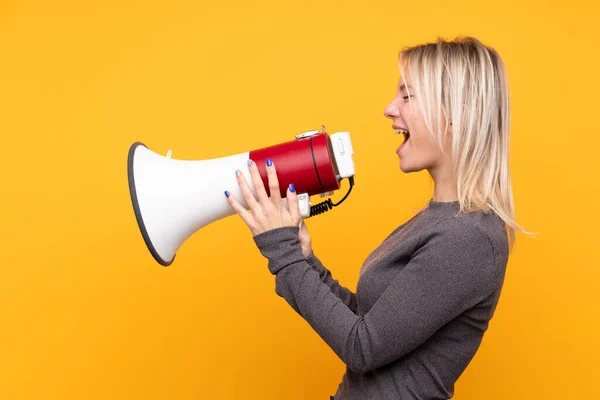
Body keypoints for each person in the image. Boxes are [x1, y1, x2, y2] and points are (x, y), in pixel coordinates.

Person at [224, 36, 528, 399]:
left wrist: (283, 254)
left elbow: (362, 348)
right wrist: (304, 258)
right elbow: (368, 322)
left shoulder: (469, 238)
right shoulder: (440, 221)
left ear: (456, 115)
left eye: (407, 95)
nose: (389, 108)